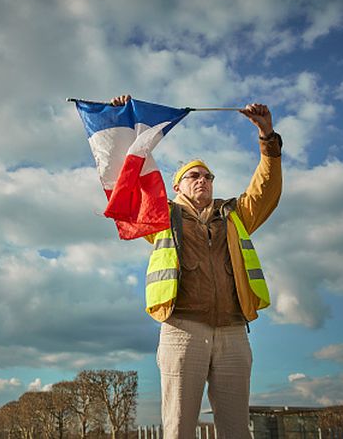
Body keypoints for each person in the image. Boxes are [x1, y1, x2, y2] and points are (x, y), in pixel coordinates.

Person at [109, 94, 282, 439]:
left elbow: (266, 191)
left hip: (233, 329)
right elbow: (127, 182)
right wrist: (121, 125)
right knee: (179, 429)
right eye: (194, 176)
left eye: (208, 176)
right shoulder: (161, 217)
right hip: (182, 328)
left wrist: (267, 138)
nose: (203, 180)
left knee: (236, 431)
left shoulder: (234, 214)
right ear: (177, 187)